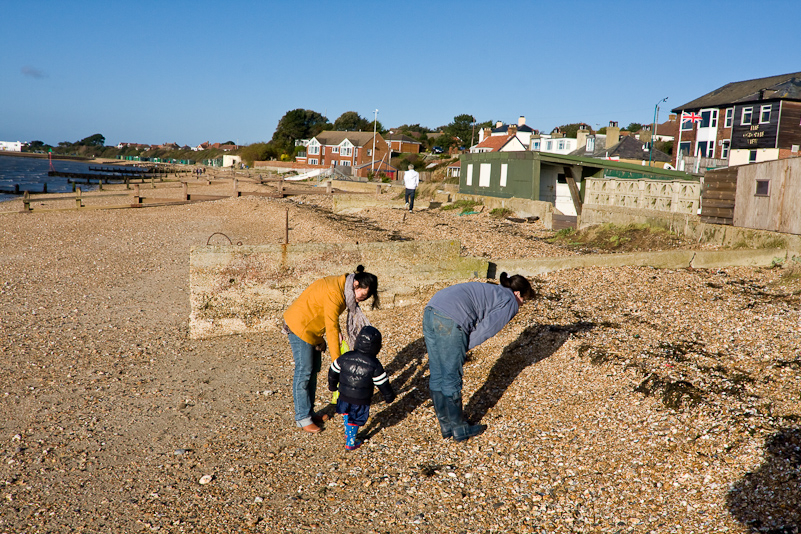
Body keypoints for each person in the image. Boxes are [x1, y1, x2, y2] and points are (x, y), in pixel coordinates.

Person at [423, 273, 535, 442]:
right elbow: (486, 329)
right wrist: (460, 347)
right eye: (524, 300)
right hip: (450, 318)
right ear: (518, 293)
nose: (521, 304)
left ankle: (446, 426)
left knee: (437, 372)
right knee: (451, 376)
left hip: (431, 310)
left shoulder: (493, 290)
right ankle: (460, 429)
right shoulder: (510, 301)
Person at [283, 266, 379, 433]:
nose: (360, 301)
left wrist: (339, 333)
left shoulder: (343, 288)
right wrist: (338, 363)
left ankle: (310, 413)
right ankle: (302, 418)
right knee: (304, 371)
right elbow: (331, 325)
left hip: (314, 329)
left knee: (313, 371)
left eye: (365, 298)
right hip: (300, 327)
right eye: (362, 296)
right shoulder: (335, 292)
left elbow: (330, 317)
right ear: (356, 284)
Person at [327, 325, 395, 450]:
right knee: (356, 417)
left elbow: (333, 370)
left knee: (347, 413)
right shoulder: (374, 364)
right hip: (360, 398)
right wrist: (389, 396)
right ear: (377, 346)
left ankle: (348, 433)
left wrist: (332, 385)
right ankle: (351, 442)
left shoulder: (346, 356)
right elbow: (382, 383)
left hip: (343, 394)